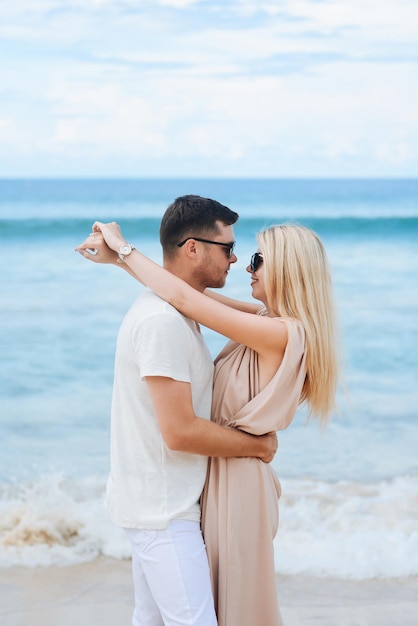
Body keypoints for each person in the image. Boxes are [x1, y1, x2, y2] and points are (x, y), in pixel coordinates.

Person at [77, 209, 340, 626]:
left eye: (257, 260)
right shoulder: (263, 322)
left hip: (238, 485)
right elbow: (188, 295)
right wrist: (120, 262)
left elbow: (185, 300)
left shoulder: (281, 333)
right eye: (242, 255)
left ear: (287, 271)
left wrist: (125, 249)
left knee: (229, 609)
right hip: (221, 478)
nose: (243, 265)